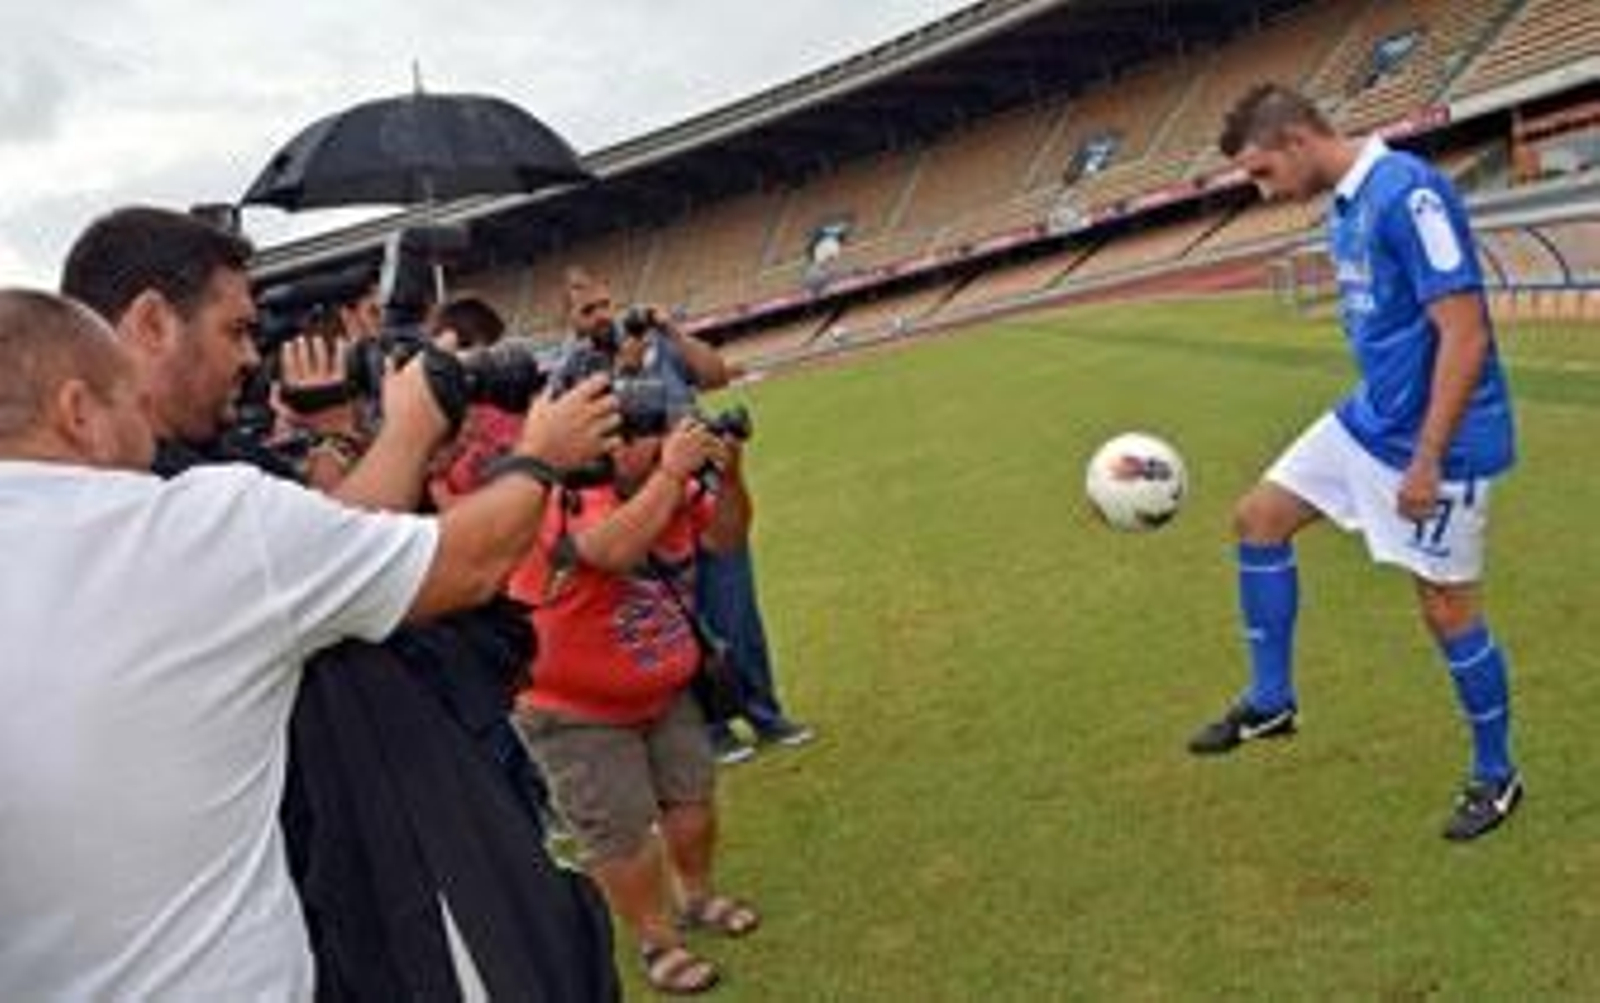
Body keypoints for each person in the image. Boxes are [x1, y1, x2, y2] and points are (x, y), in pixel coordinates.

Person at [58, 207, 625, 1000]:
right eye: (235, 331)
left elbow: (317, 548)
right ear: (152, 323)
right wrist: (529, 453)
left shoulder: (171, 479)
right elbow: (434, 564)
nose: (252, 359)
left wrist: (354, 437)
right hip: (365, 868)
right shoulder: (143, 513)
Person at [1189, 84, 1521, 842]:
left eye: (1262, 172)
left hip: (1445, 438)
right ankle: (1272, 698)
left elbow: (1465, 335)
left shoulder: (1410, 195)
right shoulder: (1345, 203)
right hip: (1372, 419)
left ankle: (1498, 774)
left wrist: (1428, 459)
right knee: (1259, 517)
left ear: (1300, 140)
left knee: (1445, 611)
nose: (1263, 190)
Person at [508, 414, 761, 995]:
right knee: (620, 833)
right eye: (654, 436)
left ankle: (696, 897)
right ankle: (657, 942)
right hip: (573, 709)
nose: (670, 442)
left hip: (665, 689)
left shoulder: (675, 485)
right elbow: (613, 550)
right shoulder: (562, 498)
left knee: (691, 800)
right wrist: (671, 474)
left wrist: (731, 476)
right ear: (611, 446)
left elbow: (728, 537)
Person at [564, 268, 814, 765]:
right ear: (569, 320)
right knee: (684, 620)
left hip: (704, 486)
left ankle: (765, 713)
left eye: (606, 304)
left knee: (737, 611)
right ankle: (714, 728)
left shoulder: (658, 343)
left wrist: (670, 330)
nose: (602, 316)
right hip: (647, 501)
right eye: (587, 309)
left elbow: (716, 374)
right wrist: (624, 372)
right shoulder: (571, 371)